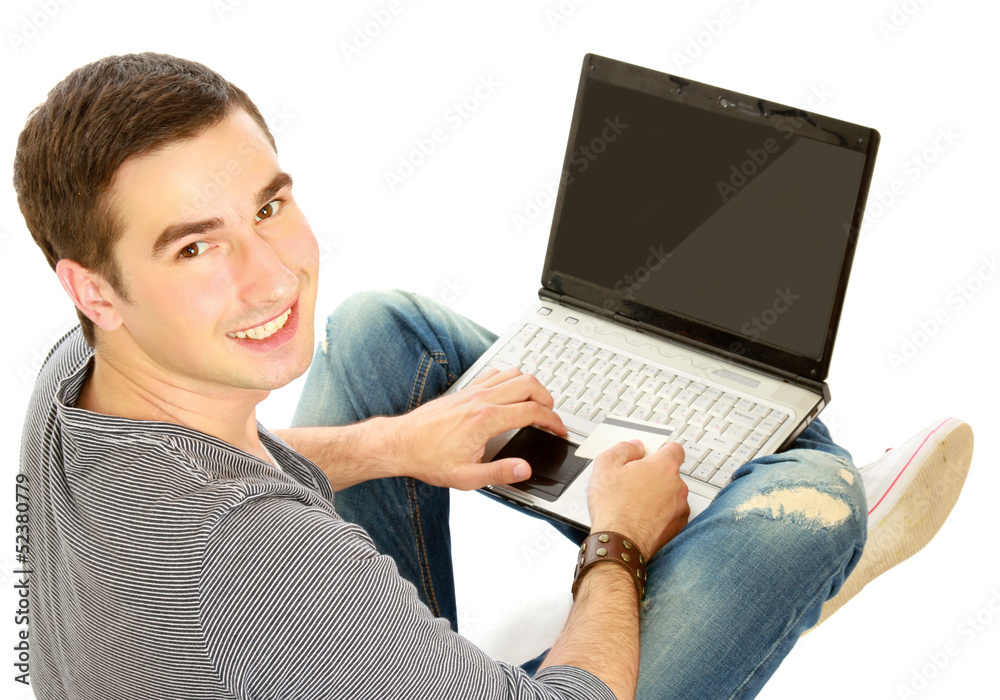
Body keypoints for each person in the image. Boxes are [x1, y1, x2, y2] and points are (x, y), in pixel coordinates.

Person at [15, 52, 973, 700]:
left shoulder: (76, 378)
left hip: (290, 657)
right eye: (194, 249)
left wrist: (398, 441)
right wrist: (618, 545)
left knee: (383, 332)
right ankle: (784, 541)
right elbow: (247, 550)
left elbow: (226, 480)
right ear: (93, 286)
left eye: (267, 206)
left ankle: (737, 475)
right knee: (812, 502)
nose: (271, 275)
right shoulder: (261, 562)